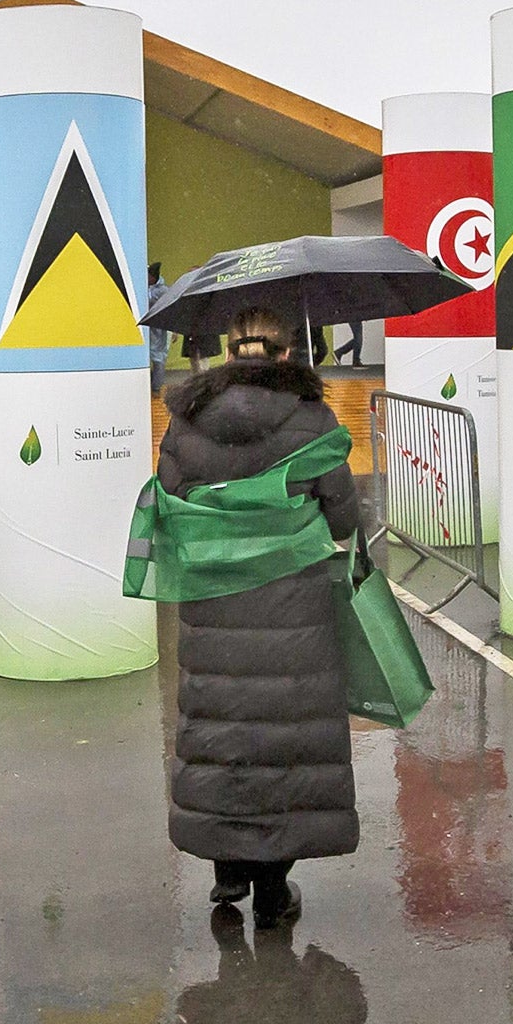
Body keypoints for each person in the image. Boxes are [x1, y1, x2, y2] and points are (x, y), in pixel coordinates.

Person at [154, 305, 362, 929]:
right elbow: (345, 515)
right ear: (284, 353)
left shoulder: (186, 421)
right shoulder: (310, 418)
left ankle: (226, 875)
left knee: (223, 733)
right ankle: (273, 889)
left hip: (214, 606)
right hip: (291, 608)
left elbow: (171, 500)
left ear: (225, 350)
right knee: (282, 740)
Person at [146, 262, 171, 395]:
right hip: (149, 327)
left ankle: (156, 387)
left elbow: (170, 310)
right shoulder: (146, 288)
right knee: (152, 356)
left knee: (159, 357)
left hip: (161, 328)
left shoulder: (163, 291)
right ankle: (152, 384)